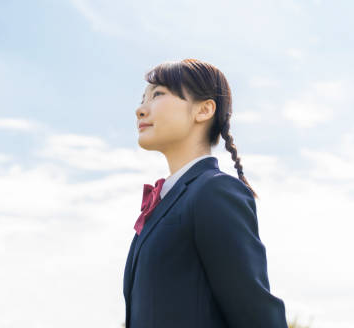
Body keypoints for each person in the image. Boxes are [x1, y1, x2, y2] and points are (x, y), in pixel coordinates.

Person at [123, 58, 288, 328]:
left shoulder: (214, 191)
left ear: (204, 110)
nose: (140, 109)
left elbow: (257, 316)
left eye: (158, 94)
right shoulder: (160, 207)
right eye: (143, 98)